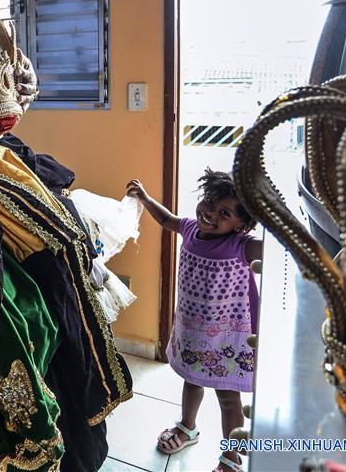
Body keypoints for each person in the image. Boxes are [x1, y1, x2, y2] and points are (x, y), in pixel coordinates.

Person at [126, 169, 263, 472]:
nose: (211, 213)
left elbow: (275, 251)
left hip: (229, 338)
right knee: (191, 379)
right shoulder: (189, 229)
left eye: (224, 213)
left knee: (229, 399)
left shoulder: (242, 246)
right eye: (210, 202)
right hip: (192, 330)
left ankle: (232, 458)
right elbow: (166, 220)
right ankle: (188, 428)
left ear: (241, 225)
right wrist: (146, 199)